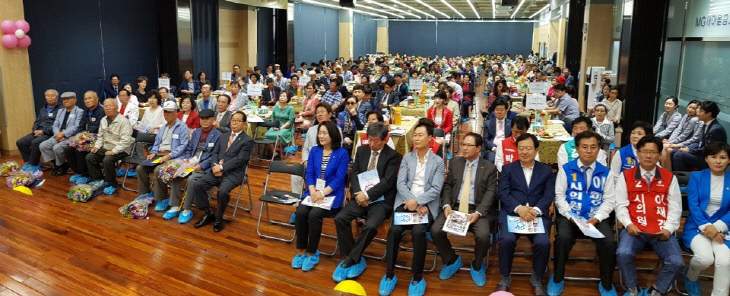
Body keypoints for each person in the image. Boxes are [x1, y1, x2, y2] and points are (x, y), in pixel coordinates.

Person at [379, 118, 444, 296]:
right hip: (406, 203)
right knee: (393, 230)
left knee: (418, 232)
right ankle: (389, 273)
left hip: (426, 206)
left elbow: (436, 189)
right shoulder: (407, 157)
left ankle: (417, 275)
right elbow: (401, 184)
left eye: (420, 135)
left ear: (430, 138)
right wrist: (413, 202)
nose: (416, 138)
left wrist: (420, 202)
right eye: (414, 135)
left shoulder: (438, 161)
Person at [549, 131, 618, 296]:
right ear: (577, 149)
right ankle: (557, 278)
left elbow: (609, 200)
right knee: (563, 239)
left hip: (596, 217)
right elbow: (559, 197)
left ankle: (607, 284)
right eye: (584, 147)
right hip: (570, 216)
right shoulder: (566, 170)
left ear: (599, 150)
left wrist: (596, 218)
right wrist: (572, 217)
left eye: (593, 147)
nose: (589, 151)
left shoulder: (606, 172)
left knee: (609, 242)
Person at [615, 136, 683, 296]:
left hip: (661, 233)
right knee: (623, 253)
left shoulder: (669, 178)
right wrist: (628, 224)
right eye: (644, 151)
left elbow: (675, 208)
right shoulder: (626, 176)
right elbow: (620, 205)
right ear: (638, 153)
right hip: (635, 230)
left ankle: (657, 288)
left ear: (660, 155)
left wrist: (669, 229)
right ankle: (632, 288)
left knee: (676, 262)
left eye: (653, 152)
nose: (648, 155)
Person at [332, 123, 400, 282]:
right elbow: (354, 174)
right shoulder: (362, 150)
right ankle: (352, 255)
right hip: (359, 196)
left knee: (370, 225)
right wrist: (358, 195)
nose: (372, 144)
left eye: (376, 141)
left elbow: (387, 182)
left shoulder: (392, 155)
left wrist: (367, 196)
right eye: (369, 140)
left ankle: (351, 259)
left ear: (385, 140)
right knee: (340, 218)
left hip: (381, 201)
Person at [431, 133, 498, 287]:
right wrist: (446, 205)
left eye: (469, 145)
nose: (465, 148)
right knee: (435, 230)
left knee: (483, 235)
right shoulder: (455, 163)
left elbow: (490, 193)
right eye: (463, 145)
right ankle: (452, 260)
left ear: (479, 148)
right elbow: (447, 186)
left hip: (476, 209)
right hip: (455, 206)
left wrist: (478, 212)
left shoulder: (489, 168)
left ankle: (477, 264)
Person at [495, 134, 554, 296]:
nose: (524, 152)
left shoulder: (546, 170)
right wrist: (518, 208)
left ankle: (536, 277)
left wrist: (535, 211)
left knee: (543, 243)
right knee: (506, 240)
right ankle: (505, 277)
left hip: (537, 215)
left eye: (529, 148)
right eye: (521, 148)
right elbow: (503, 193)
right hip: (513, 214)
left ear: (536, 150)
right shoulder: (508, 169)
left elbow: (549, 195)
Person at [292, 121, 350, 271]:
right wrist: (312, 192)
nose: (321, 136)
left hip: (331, 195)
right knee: (301, 212)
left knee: (314, 215)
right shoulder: (315, 151)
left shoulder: (342, 153)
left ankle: (312, 252)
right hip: (313, 192)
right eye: (320, 133)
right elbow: (310, 173)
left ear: (333, 135)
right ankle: (302, 250)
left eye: (325, 133)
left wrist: (322, 193)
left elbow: (339, 179)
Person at [192, 111, 254, 232]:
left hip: (234, 173)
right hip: (216, 170)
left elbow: (240, 160)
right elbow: (215, 152)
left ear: (244, 124)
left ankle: (219, 218)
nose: (234, 122)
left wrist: (222, 168)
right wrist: (215, 167)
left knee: (222, 191)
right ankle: (208, 212)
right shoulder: (223, 135)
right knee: (198, 185)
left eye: (237, 120)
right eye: (232, 120)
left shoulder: (247, 140)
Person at [682, 142, 730, 296]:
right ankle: (690, 276)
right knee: (704, 258)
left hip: (724, 228)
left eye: (723, 157)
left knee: (725, 261)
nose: (718, 161)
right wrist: (707, 227)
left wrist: (717, 227)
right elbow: (694, 206)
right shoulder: (696, 177)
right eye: (713, 157)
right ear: (706, 159)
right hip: (697, 225)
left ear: (729, 160)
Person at [161, 109, 222, 223]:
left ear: (213, 120)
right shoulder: (196, 132)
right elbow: (189, 149)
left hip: (205, 166)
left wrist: (201, 166)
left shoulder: (219, 135)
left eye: (207, 119)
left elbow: (215, 156)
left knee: (191, 179)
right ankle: (174, 206)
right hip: (191, 161)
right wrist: (186, 161)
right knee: (176, 174)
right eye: (202, 119)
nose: (204, 121)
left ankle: (187, 209)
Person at [134, 101, 190, 210]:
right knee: (140, 168)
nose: (166, 114)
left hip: (174, 157)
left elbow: (183, 146)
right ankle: (146, 193)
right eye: (165, 112)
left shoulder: (182, 127)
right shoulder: (163, 127)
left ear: (176, 113)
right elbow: (157, 143)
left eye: (169, 112)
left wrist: (169, 156)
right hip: (159, 154)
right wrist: (153, 152)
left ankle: (162, 198)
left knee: (158, 170)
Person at [86, 98, 134, 195]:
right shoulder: (103, 120)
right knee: (90, 156)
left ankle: (112, 184)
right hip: (107, 147)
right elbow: (100, 137)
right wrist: (97, 147)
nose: (107, 108)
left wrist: (114, 151)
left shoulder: (124, 121)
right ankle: (98, 179)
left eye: (110, 105)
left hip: (121, 149)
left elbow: (126, 141)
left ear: (116, 108)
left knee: (107, 160)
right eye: (105, 106)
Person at [672, 101, 727, 172]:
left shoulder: (716, 129)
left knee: (679, 155)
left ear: (709, 114)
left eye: (701, 111)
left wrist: (690, 150)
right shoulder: (706, 124)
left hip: (709, 158)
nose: (697, 113)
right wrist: (688, 148)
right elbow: (699, 142)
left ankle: (683, 180)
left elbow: (709, 149)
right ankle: (673, 176)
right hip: (701, 153)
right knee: (674, 151)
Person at [39, 92, 84, 176]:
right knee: (43, 146)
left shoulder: (79, 111)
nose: (65, 101)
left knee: (57, 148)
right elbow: (55, 125)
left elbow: (76, 127)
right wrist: (58, 135)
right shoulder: (61, 111)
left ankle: (60, 166)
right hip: (58, 136)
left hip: (70, 137)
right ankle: (60, 165)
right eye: (64, 99)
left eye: (68, 99)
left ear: (75, 100)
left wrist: (63, 134)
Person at [67, 91, 105, 184]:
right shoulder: (86, 112)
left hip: (97, 138)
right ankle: (79, 172)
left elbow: (96, 127)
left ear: (97, 99)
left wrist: (80, 138)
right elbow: (81, 126)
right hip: (85, 137)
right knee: (68, 150)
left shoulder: (101, 111)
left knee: (79, 149)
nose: (87, 101)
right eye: (85, 99)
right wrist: (77, 136)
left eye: (90, 98)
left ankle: (85, 174)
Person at [661, 100, 702, 171]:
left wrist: (671, 143)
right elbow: (678, 130)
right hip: (680, 141)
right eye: (689, 107)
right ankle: (664, 170)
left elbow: (684, 135)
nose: (690, 110)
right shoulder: (685, 116)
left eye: (694, 109)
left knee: (667, 148)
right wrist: (670, 141)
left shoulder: (695, 120)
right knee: (663, 145)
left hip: (687, 143)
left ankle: (667, 171)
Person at [609, 121, 653, 186]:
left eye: (639, 134)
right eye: (633, 133)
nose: (635, 136)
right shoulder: (621, 153)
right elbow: (614, 176)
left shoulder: (652, 153)